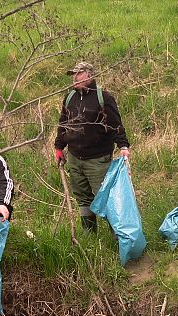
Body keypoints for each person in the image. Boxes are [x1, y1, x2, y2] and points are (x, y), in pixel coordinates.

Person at [54, 61, 130, 232]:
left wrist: (123, 146)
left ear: (89, 75)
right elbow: (63, 123)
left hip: (98, 161)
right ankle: (90, 237)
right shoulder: (69, 98)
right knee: (83, 199)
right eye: (73, 74)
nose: (74, 78)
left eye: (78, 74)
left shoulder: (103, 97)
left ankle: (119, 237)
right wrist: (59, 147)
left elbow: (116, 125)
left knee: (106, 199)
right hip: (74, 159)